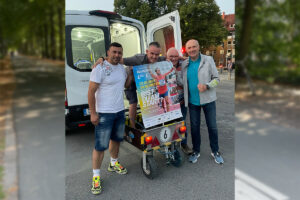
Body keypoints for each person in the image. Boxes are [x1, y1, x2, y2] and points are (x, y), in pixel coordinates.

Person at [88, 42, 133, 195]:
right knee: (100, 146)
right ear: (108, 52)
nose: (117, 55)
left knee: (116, 140)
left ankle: (113, 163)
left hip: (120, 112)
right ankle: (96, 176)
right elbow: (91, 91)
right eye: (114, 52)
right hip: (104, 114)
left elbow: (125, 85)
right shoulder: (99, 68)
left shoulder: (121, 68)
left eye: (119, 52)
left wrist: (131, 74)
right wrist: (93, 113)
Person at [93, 42, 165, 128]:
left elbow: (170, 57)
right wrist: (102, 59)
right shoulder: (138, 59)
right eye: (152, 53)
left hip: (142, 79)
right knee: (133, 102)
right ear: (147, 51)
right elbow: (117, 59)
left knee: (151, 98)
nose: (154, 56)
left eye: (157, 54)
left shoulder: (160, 59)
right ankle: (133, 126)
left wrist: (183, 57)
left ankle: (153, 121)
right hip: (130, 77)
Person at [181, 39, 224, 164]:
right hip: (193, 102)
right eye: (189, 48)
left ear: (199, 47)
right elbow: (182, 80)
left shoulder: (208, 60)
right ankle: (196, 151)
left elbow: (217, 79)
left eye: (194, 47)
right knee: (194, 128)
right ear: (186, 49)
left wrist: (207, 85)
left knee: (212, 127)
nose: (192, 50)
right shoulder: (185, 63)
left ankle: (215, 151)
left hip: (208, 100)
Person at [166, 47, 193, 154]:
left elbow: (196, 59)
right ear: (166, 57)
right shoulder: (161, 66)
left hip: (181, 101)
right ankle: (169, 145)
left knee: (182, 123)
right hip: (168, 103)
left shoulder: (183, 65)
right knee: (168, 124)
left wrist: (182, 57)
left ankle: (184, 143)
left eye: (175, 56)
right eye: (171, 56)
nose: (173, 58)